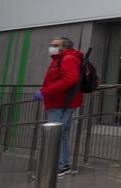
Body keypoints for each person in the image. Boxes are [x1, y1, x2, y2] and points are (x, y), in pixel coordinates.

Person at [35, 37, 84, 176]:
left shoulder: (67, 59)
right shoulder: (60, 59)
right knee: (60, 134)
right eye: (51, 44)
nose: (52, 47)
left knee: (53, 134)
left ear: (66, 47)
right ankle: (62, 165)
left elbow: (71, 79)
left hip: (62, 103)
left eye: (56, 45)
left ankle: (56, 167)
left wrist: (44, 92)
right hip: (60, 102)